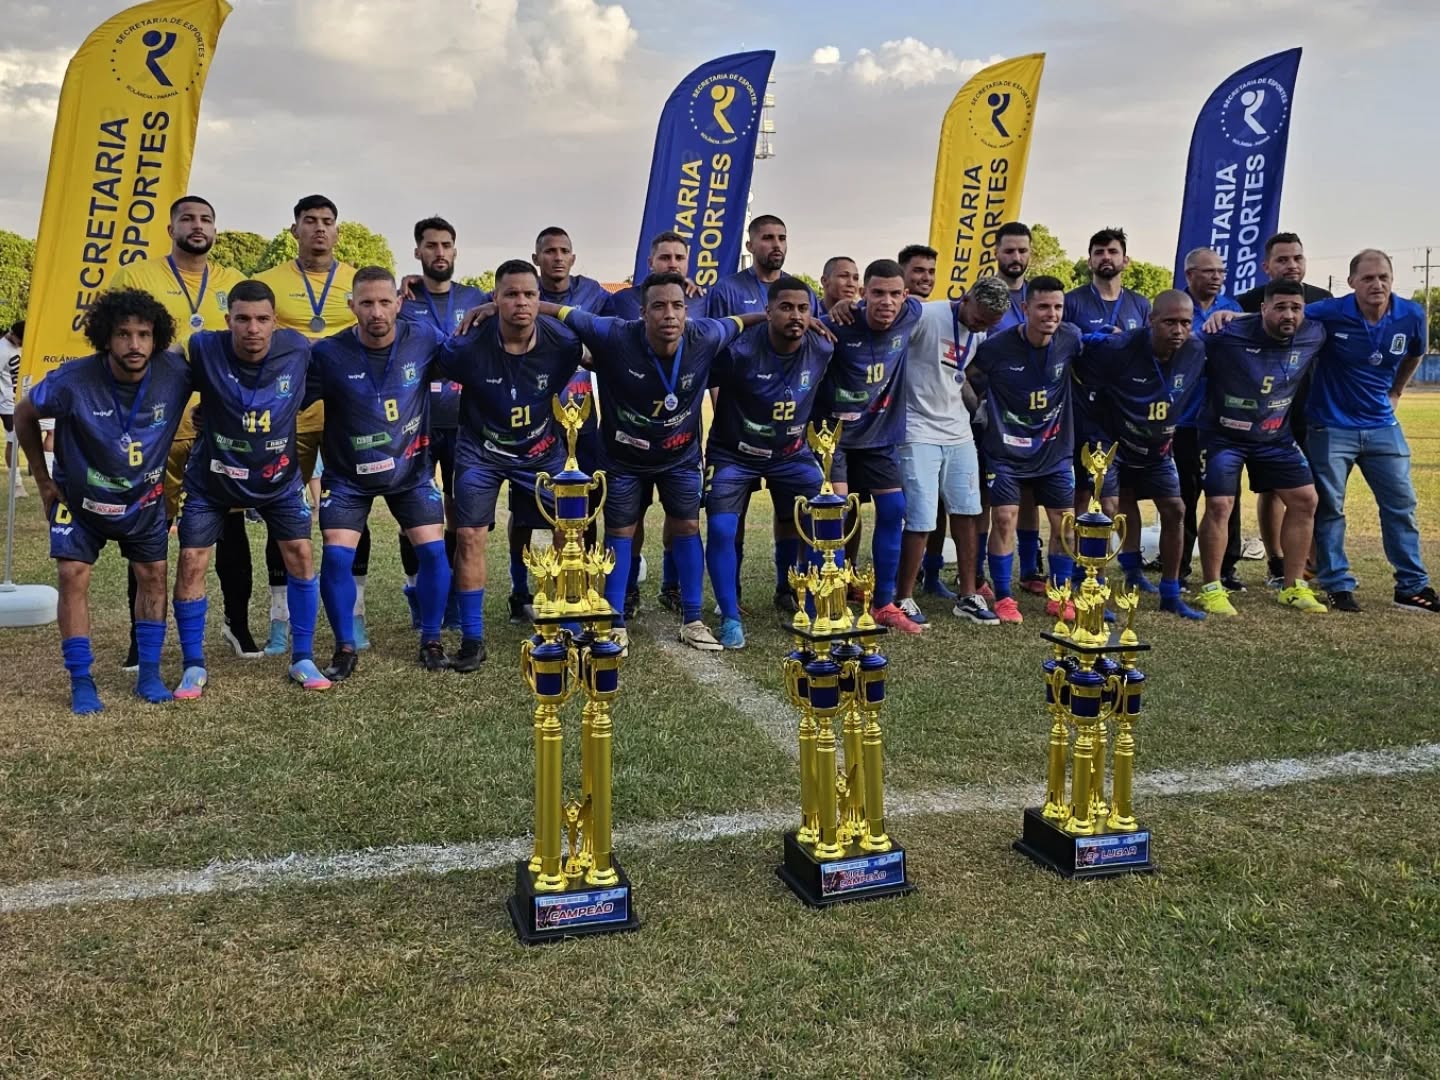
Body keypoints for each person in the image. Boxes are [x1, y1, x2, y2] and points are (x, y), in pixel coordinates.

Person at [549, 271, 761, 650]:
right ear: (643, 313)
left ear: (687, 311)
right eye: (659, 306)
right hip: (624, 459)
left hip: (679, 456)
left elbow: (741, 322)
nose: (670, 314)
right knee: (621, 533)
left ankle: (693, 621)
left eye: (678, 306)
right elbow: (561, 312)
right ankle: (614, 622)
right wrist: (499, 306)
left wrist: (773, 316)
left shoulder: (704, 335)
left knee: (687, 527)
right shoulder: (614, 333)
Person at [14, 290, 191, 713]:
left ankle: (149, 675)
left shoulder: (175, 373)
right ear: (105, 338)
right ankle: (81, 680)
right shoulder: (72, 380)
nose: (134, 344)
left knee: (153, 575)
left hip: (143, 500)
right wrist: (42, 480)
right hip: (79, 500)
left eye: (144, 334)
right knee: (72, 574)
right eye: (123, 334)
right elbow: (23, 414)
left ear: (156, 338)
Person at [111, 196, 256, 665]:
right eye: (188, 218)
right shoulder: (137, 276)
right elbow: (120, 345)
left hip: (219, 427)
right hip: (156, 427)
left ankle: (238, 625)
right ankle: (141, 638)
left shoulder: (233, 282)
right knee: (147, 532)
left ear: (215, 229)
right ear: (170, 227)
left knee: (230, 526)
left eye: (206, 219)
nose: (198, 225)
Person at [170, 280, 330, 697]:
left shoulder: (298, 348)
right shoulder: (203, 347)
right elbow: (161, 369)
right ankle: (193, 665)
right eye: (242, 319)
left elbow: (345, 355)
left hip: (278, 478)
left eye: (262, 319)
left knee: (301, 553)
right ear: (228, 320)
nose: (252, 329)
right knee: (191, 561)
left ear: (275, 321)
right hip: (212, 479)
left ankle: (303, 657)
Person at [434, 260, 585, 669]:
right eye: (511, 294)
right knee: (468, 536)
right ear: (495, 299)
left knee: (569, 530)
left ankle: (567, 620)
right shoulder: (466, 347)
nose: (521, 302)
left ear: (540, 299)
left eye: (529, 294)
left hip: (542, 450)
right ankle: (472, 639)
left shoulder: (562, 343)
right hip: (480, 451)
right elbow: (432, 369)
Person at [303, 267, 452, 678]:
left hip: (410, 470)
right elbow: (288, 399)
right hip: (347, 475)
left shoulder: (424, 338)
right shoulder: (327, 354)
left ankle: (432, 640)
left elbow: (470, 358)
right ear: (352, 306)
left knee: (433, 551)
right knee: (336, 556)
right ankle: (344, 648)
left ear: (399, 304)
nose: (376, 312)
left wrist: (490, 310)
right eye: (366, 303)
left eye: (385, 302)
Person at [255, 196, 364, 655]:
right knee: (281, 512)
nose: (319, 228)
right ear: (294, 229)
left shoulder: (357, 280)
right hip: (289, 414)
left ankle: (355, 615)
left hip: (347, 414)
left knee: (352, 511)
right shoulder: (268, 282)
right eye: (310, 221)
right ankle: (281, 618)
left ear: (337, 230)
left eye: (327, 221)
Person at [1304, 249, 1436, 613]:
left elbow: (1415, 353)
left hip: (1381, 425)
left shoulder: (1411, 314)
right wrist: (1230, 315)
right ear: (1351, 282)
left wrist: (1397, 391)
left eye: (1383, 277)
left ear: (1392, 279)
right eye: (1367, 278)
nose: (1377, 284)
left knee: (1401, 505)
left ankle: (1411, 586)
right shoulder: (1329, 311)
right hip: (1330, 425)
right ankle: (1337, 583)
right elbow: (1284, 314)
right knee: (1330, 508)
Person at [705, 276, 834, 648]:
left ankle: (815, 609)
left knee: (825, 522)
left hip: (791, 454)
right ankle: (730, 616)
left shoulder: (822, 346)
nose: (796, 316)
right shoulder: (739, 350)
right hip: (734, 452)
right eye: (786, 307)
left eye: (803, 309)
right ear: (768, 311)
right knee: (722, 528)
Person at [1194, 281, 1327, 615]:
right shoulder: (1225, 333)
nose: (1289, 315)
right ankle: (1211, 588)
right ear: (1263, 309)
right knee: (1220, 505)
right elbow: (1183, 345)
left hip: (1275, 437)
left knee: (1305, 500)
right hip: (1224, 435)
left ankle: (1293, 586)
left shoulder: (1314, 333)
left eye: (1296, 308)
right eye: (1280, 307)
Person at [1076, 290, 1207, 618]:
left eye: (1185, 323)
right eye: (1169, 322)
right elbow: (1075, 359)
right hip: (1111, 441)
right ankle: (1093, 589)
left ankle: (1170, 593)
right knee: (1106, 509)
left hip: (1158, 447)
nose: (1178, 330)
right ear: (1151, 321)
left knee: (1175, 509)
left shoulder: (1196, 349)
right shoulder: (1119, 348)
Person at [965, 276, 1083, 625]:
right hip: (1005, 451)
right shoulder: (996, 347)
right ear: (1026, 308)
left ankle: (1060, 595)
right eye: (1043, 307)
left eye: (1058, 307)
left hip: (1054, 449)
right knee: (1004, 518)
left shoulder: (1071, 339)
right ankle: (1004, 597)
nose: (1051, 314)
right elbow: (965, 376)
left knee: (1065, 523)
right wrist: (978, 410)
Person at [892, 274, 1008, 625]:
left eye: (989, 324)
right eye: (979, 318)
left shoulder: (979, 331)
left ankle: (968, 595)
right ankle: (903, 597)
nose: (981, 326)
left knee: (967, 511)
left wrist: (978, 409)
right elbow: (893, 350)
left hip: (958, 431)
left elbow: (958, 376)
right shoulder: (928, 316)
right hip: (917, 429)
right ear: (966, 298)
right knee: (921, 516)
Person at [816, 258, 925, 632]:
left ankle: (884, 603)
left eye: (894, 294)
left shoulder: (911, 314)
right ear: (863, 293)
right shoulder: (836, 325)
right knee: (836, 514)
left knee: (894, 509)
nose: (887, 302)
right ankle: (830, 598)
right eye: (877, 293)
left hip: (879, 437)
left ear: (905, 295)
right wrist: (839, 308)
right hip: (836, 438)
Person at [515, 226, 615, 622]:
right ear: (536, 258)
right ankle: (521, 589)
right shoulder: (523, 291)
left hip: (583, 418)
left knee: (584, 507)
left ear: (573, 257)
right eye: (549, 251)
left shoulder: (595, 294)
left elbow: (620, 328)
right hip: (535, 419)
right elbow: (493, 308)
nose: (557, 257)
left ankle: (582, 582)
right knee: (527, 510)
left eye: (564, 251)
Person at [396, 216, 491, 630]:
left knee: (458, 511)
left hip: (465, 421)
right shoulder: (403, 300)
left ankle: (451, 597)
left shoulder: (476, 298)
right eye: (431, 245)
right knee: (414, 513)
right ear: (417, 251)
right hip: (416, 422)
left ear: (455, 250)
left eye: (446, 245)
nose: (439, 252)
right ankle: (416, 590)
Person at [611, 230, 707, 620]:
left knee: (681, 514)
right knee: (628, 519)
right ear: (650, 262)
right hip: (629, 436)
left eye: (679, 258)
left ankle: (674, 586)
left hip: (680, 433)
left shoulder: (703, 299)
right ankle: (627, 591)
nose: (672, 263)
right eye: (665, 257)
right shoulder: (620, 300)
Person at [1235, 233, 1333, 588]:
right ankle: (1276, 562)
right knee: (1271, 489)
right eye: (1282, 259)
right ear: (1267, 266)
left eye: (1297, 258)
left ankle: (1313, 564)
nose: (1291, 265)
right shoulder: (1245, 302)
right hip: (1264, 414)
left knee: (1313, 489)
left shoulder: (1323, 301)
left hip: (1311, 408)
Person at [1064, 228, 1152, 532]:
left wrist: (1123, 341)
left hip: (1126, 410)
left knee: (1124, 494)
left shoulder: (1140, 304)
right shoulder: (1071, 302)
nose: (1106, 257)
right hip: (1083, 407)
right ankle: (1080, 555)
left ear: (1125, 260)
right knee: (1084, 491)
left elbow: (1148, 352)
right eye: (1098, 252)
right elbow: (1060, 348)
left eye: (1113, 251)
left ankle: (1128, 558)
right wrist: (1089, 341)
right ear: (1089, 261)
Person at [1174, 247, 1243, 590]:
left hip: (1225, 420)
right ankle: (1179, 568)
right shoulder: (1175, 306)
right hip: (1184, 419)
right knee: (1183, 497)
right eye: (1209, 271)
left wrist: (1237, 321)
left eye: (1221, 271)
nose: (1217, 277)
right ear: (1189, 275)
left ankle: (1227, 569)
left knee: (1227, 496)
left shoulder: (1233, 309)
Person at [1, 321, 23, 497]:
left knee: (20, 439)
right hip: (6, 403)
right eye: (21, 341)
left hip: (20, 400)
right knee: (12, 440)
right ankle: (16, 484)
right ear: (13, 335)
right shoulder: (2, 350)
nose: (22, 344)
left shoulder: (20, 347)